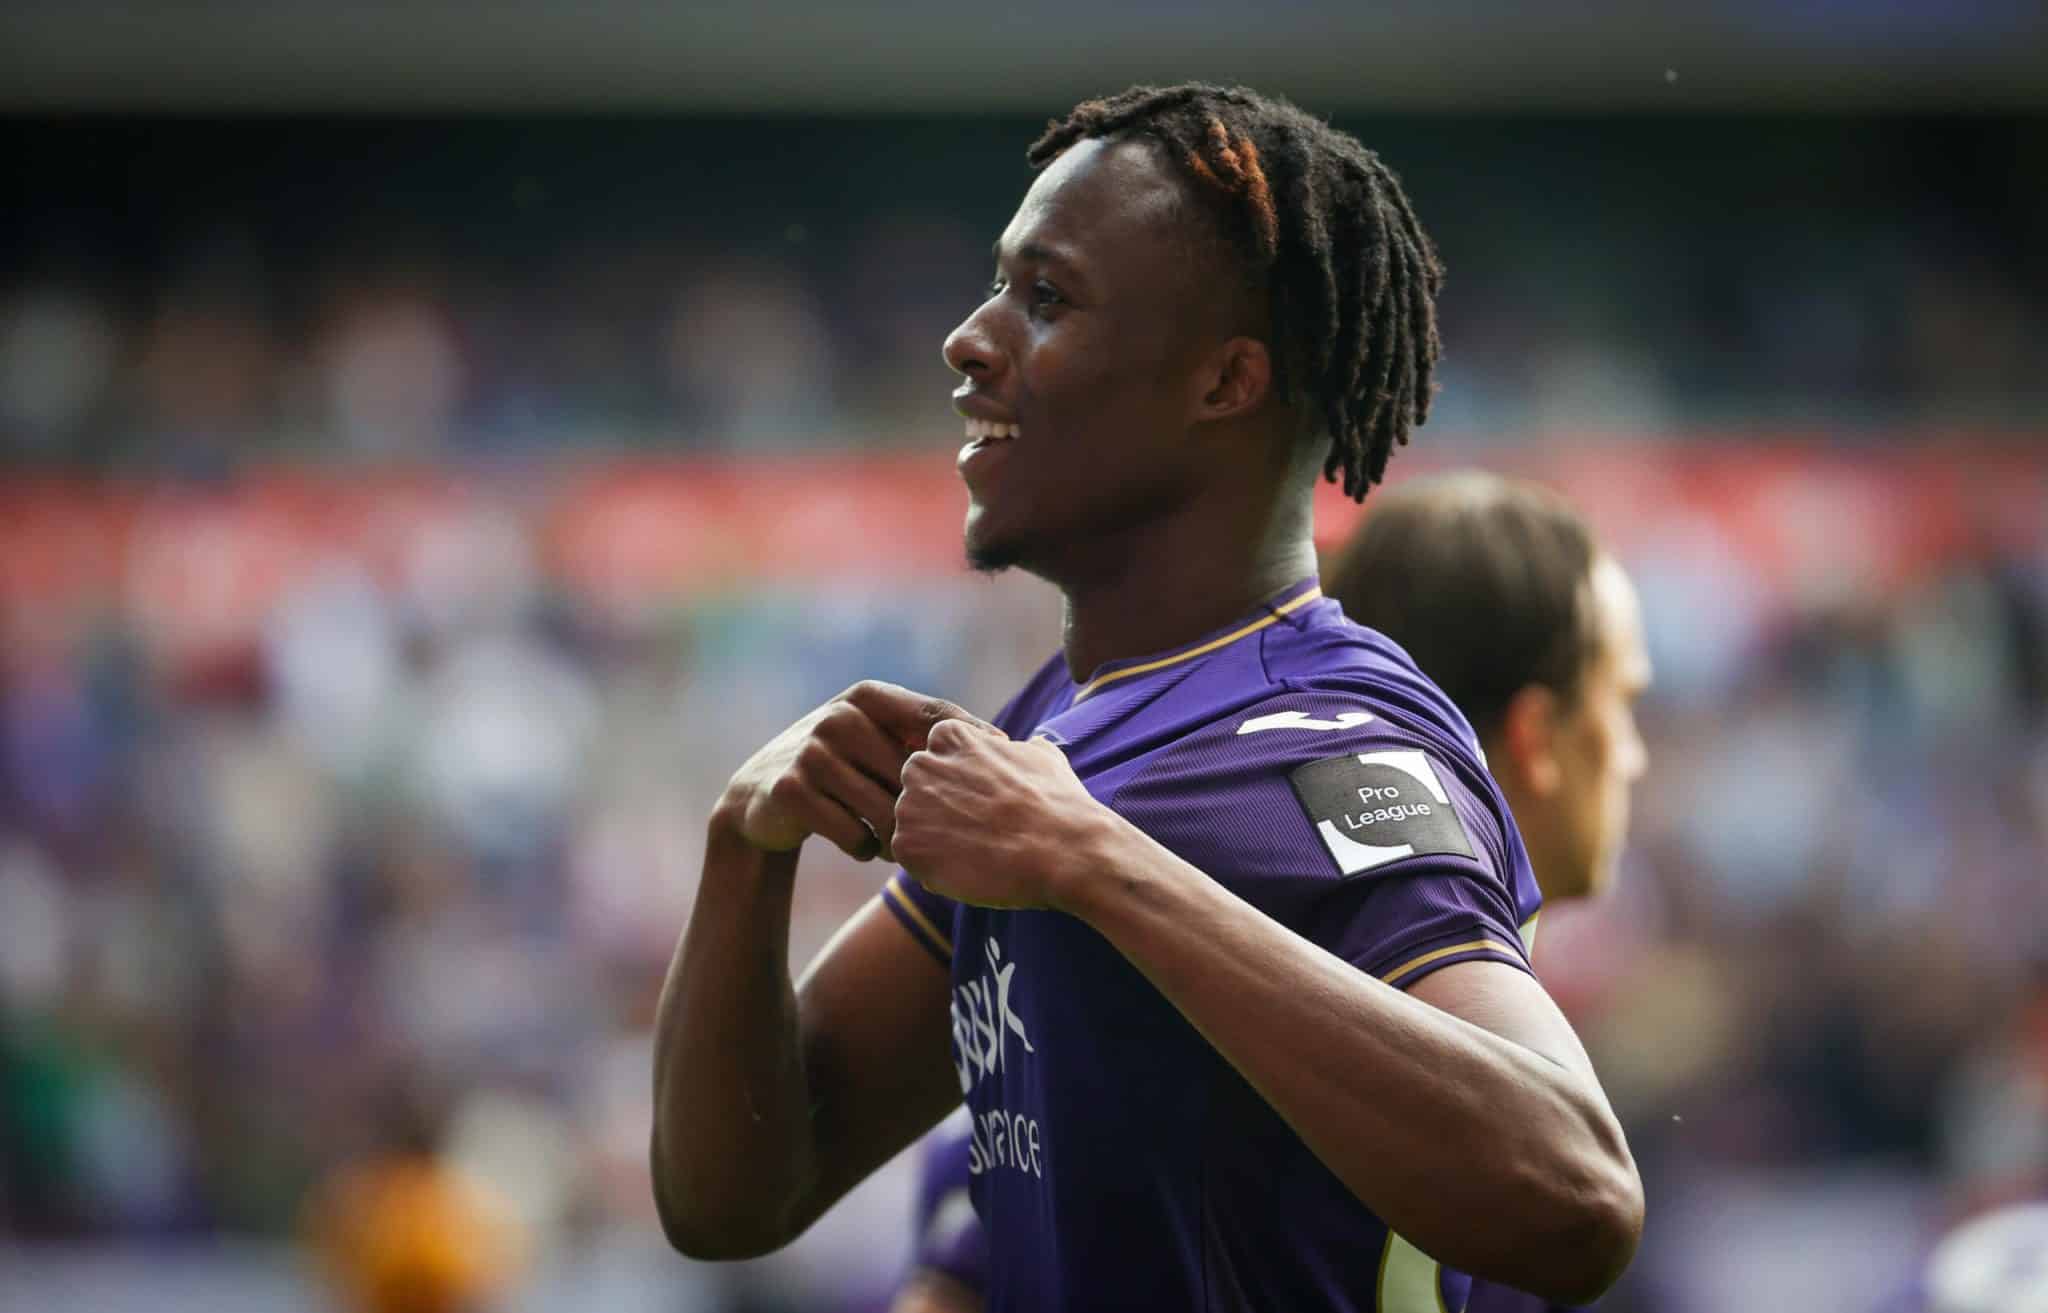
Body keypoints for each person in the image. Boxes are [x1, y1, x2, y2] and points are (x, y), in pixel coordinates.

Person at [651, 83, 1643, 1311]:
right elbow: (730, 1196)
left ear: (1224, 381)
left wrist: (1098, 865)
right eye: (997, 285)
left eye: (1046, 297)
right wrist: (742, 849)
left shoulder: (1330, 734)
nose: (969, 340)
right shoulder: (1051, 724)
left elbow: (1576, 1193)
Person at [885, 471, 1654, 1313]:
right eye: (1622, 702)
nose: (1634, 756)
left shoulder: (1489, 1036)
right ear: (1537, 736)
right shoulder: (1171, 993)